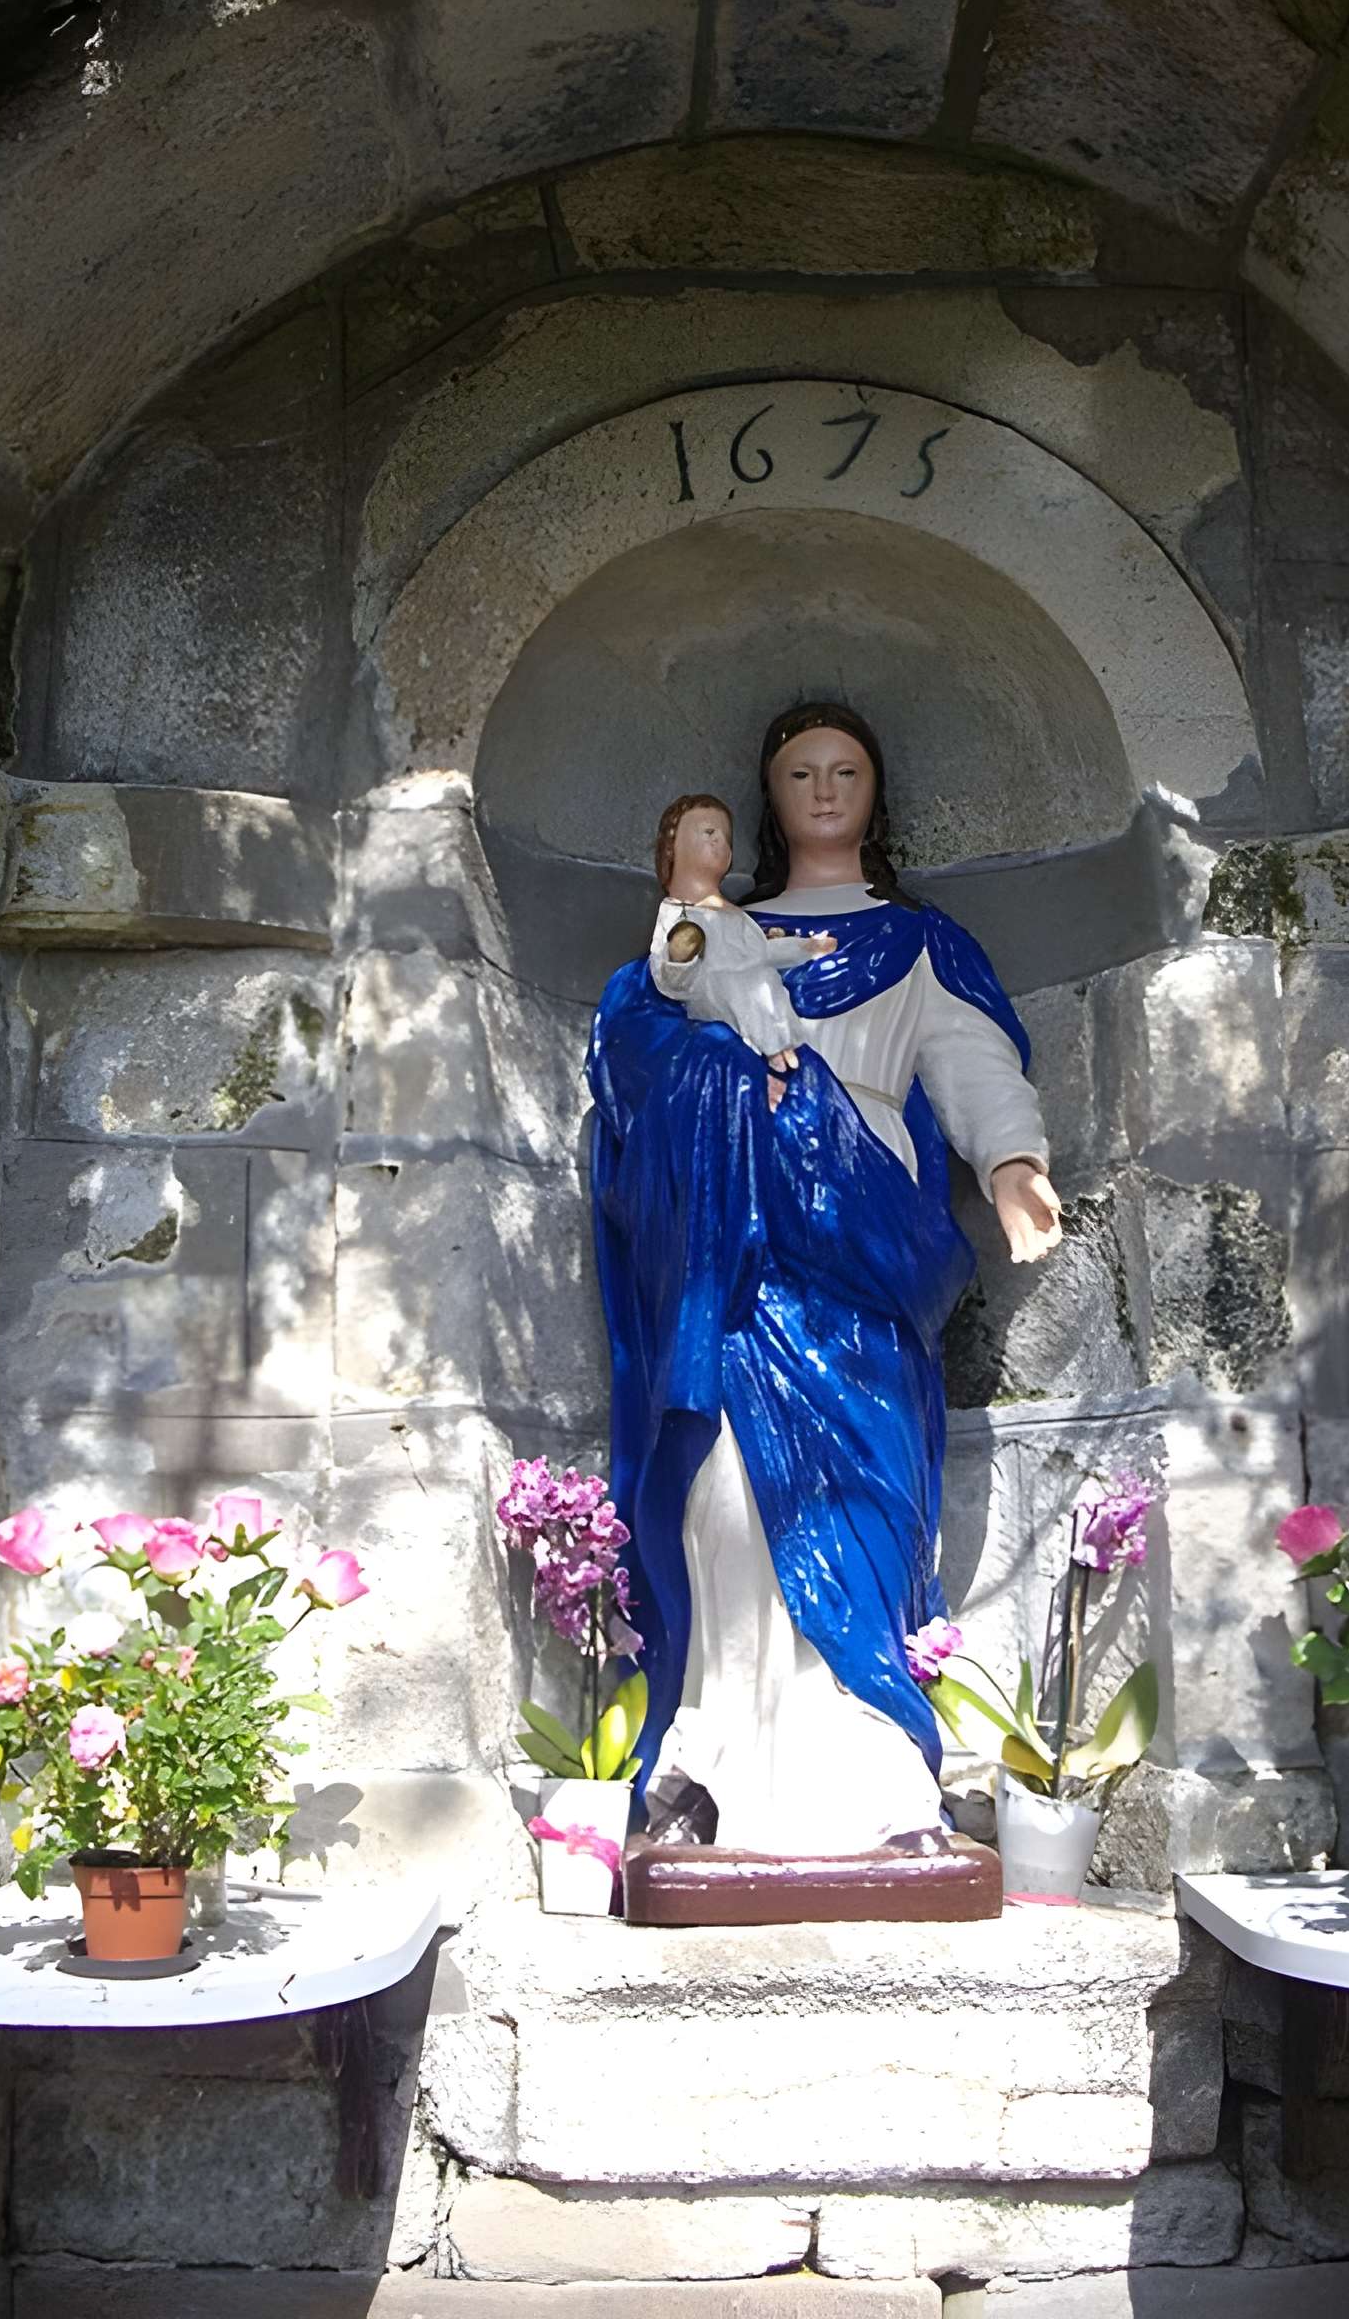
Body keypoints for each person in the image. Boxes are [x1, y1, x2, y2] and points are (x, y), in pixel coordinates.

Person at [588, 704, 1062, 1856]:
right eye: (798, 770)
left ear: (877, 790)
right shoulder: (712, 937)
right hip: (736, 1262)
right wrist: (704, 1061)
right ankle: (720, 1755)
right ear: (765, 796)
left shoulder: (918, 943)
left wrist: (1010, 1164)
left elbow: (969, 1064)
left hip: (861, 1246)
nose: (823, 786)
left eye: (846, 767)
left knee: (857, 1503)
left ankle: (872, 1763)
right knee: (730, 1493)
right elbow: (632, 1064)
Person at [647, 792, 837, 1063]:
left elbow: (758, 953)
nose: (720, 841)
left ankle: (783, 1050)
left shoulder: (733, 913)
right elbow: (669, 981)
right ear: (671, 846)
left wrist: (805, 948)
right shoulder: (676, 911)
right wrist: (679, 959)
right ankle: (772, 1053)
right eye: (709, 831)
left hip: (754, 1005)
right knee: (746, 983)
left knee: (764, 978)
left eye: (726, 836)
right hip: (711, 997)